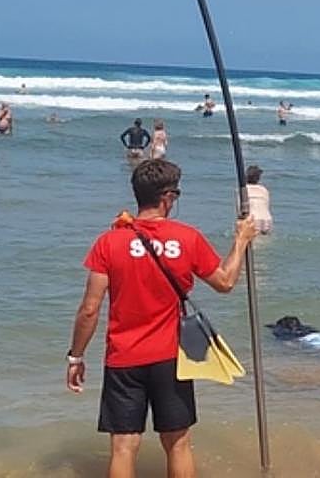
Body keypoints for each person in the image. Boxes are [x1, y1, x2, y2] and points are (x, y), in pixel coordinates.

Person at [65, 160, 257, 478]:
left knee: (124, 446)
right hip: (171, 358)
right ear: (167, 197)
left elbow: (89, 309)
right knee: (178, 443)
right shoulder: (187, 238)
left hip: (123, 359)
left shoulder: (108, 242)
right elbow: (225, 282)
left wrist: (76, 357)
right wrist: (241, 240)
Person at [245, 165, 272, 234]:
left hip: (253, 220)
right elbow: (267, 206)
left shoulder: (242, 190)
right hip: (267, 219)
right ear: (259, 178)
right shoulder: (264, 190)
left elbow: (240, 210)